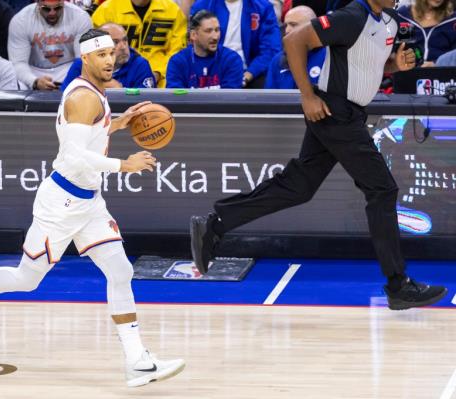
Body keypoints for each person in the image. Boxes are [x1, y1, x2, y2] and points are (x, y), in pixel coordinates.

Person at [0, 28, 185, 388]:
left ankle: (137, 361)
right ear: (84, 58)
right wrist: (124, 165)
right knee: (26, 279)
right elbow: (73, 154)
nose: (109, 59)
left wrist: (114, 125)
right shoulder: (83, 98)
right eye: (100, 54)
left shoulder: (94, 96)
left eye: (111, 53)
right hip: (62, 204)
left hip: (88, 203)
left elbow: (87, 137)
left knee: (120, 270)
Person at [189, 0, 448, 310]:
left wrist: (396, 66)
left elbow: (368, 63)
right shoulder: (352, 16)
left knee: (298, 186)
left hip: (348, 113)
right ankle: (398, 284)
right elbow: (293, 40)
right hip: (334, 110)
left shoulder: (390, 20)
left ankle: (215, 224)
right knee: (382, 189)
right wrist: (307, 95)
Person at [91, 0, 187, 87]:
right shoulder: (106, 11)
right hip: (120, 77)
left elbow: (177, 54)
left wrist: (158, 72)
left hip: (164, 81)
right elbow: (97, 50)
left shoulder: (173, 11)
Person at [190, 0, 281, 88]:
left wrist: (248, 75)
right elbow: (196, 45)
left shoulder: (263, 7)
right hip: (211, 71)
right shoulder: (202, 5)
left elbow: (270, 49)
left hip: (251, 73)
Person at [8, 0, 92, 90]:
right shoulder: (21, 20)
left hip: (69, 70)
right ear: (38, 4)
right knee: (17, 85)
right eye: (46, 9)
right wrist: (34, 81)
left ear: (63, 3)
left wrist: (68, 83)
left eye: (58, 8)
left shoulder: (80, 17)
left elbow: (83, 59)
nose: (52, 13)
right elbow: (18, 63)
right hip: (34, 72)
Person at [61, 22, 155, 91]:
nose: (123, 47)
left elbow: (147, 102)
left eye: (125, 40)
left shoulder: (140, 65)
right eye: (115, 42)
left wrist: (121, 92)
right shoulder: (82, 64)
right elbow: (65, 97)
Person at [166, 10, 243, 89]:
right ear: (193, 35)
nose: (215, 37)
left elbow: (230, 99)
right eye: (208, 31)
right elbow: (176, 98)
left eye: (217, 30)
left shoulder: (232, 60)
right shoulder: (177, 62)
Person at [264, 5, 325, 89]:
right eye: (286, 25)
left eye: (293, 25)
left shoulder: (329, 57)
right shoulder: (277, 61)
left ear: (312, 27)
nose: (287, 30)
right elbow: (269, 99)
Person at [397, 0, 456, 66]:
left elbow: (453, 56)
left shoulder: (452, 20)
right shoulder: (404, 16)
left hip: (442, 73)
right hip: (409, 72)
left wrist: (436, 64)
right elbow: (401, 50)